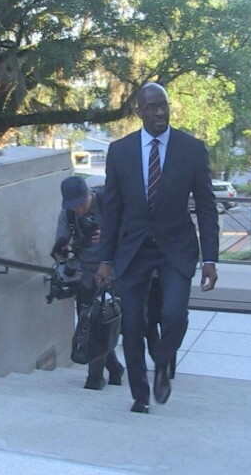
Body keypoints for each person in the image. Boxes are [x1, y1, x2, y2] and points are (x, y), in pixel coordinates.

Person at [95, 82, 219, 414]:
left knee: (173, 315)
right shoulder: (119, 151)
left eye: (163, 105)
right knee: (133, 324)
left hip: (175, 247)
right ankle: (139, 394)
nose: (160, 112)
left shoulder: (191, 149)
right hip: (133, 249)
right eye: (152, 107)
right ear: (140, 112)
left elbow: (206, 207)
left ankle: (163, 362)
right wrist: (105, 258)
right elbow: (112, 210)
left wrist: (210, 258)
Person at [52, 176, 125, 390]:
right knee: (90, 325)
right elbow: (60, 246)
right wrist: (63, 252)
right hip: (85, 276)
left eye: (82, 205)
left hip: (113, 273)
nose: (80, 211)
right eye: (74, 207)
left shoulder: (109, 205)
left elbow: (131, 236)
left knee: (98, 323)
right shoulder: (67, 214)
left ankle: (94, 379)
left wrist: (109, 239)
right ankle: (114, 368)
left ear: (88, 194)